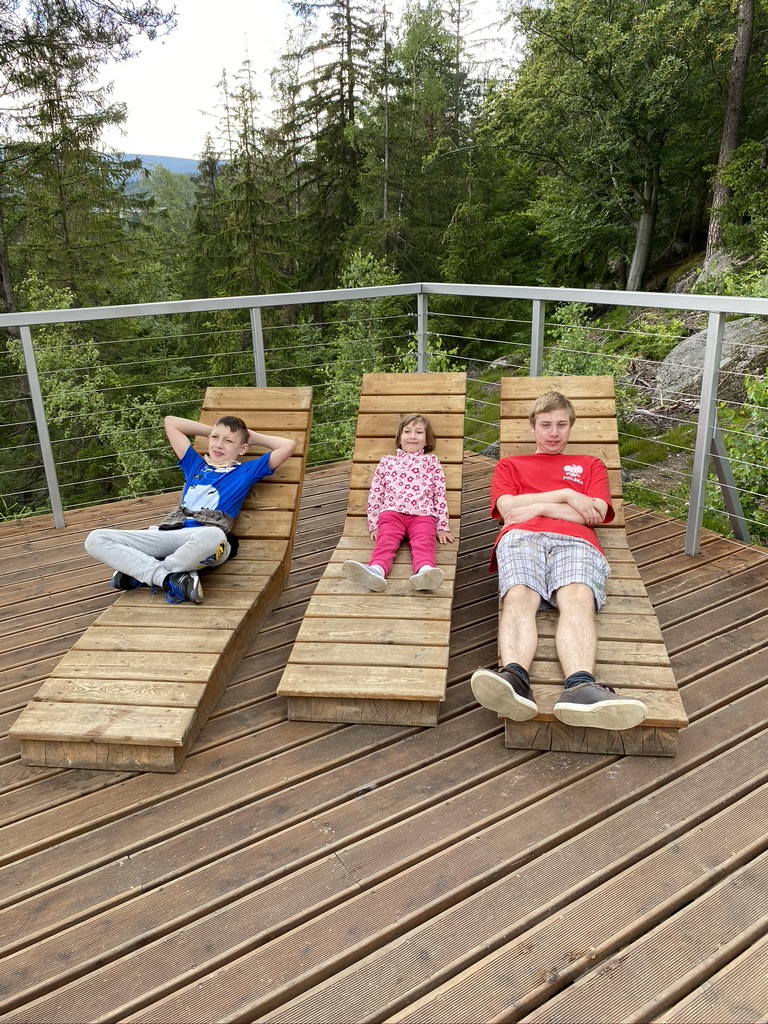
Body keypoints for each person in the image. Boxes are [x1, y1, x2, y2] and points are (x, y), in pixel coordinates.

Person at [471, 390, 646, 730]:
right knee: (519, 594)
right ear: (533, 427)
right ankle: (515, 679)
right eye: (546, 425)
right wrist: (567, 496)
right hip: (522, 536)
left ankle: (580, 687)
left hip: (576, 540)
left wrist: (536, 506)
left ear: (571, 426)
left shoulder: (590, 465)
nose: (554, 433)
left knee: (578, 597)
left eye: (561, 425)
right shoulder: (510, 465)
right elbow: (507, 508)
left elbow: (595, 513)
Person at [84, 414, 296, 604]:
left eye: (228, 441)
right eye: (215, 438)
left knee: (213, 536)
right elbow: (171, 422)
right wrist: (215, 431)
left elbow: (288, 446)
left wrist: (250, 436)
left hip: (204, 538)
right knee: (95, 539)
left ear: (242, 449)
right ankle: (168, 578)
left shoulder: (246, 472)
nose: (219, 445)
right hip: (169, 534)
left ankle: (140, 572)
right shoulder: (195, 465)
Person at [342, 413, 453, 593]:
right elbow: (376, 493)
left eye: (419, 432)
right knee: (386, 541)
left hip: (423, 515)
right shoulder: (388, 462)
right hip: (392, 514)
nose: (412, 436)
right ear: (399, 438)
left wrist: (442, 526)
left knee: (424, 542)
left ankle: (425, 572)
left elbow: (439, 494)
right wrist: (374, 524)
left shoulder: (431, 461)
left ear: (427, 440)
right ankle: (376, 571)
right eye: (407, 431)